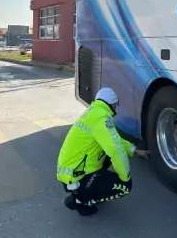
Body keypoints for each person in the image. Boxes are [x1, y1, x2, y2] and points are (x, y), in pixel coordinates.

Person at [56, 87, 150, 215]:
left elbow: (115, 140)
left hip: (70, 172)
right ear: (111, 104)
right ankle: (80, 200)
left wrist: (134, 151)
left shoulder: (94, 112)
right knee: (124, 188)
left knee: (106, 152)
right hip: (75, 177)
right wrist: (125, 177)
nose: (116, 108)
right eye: (116, 105)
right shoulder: (102, 118)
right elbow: (115, 149)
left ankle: (87, 189)